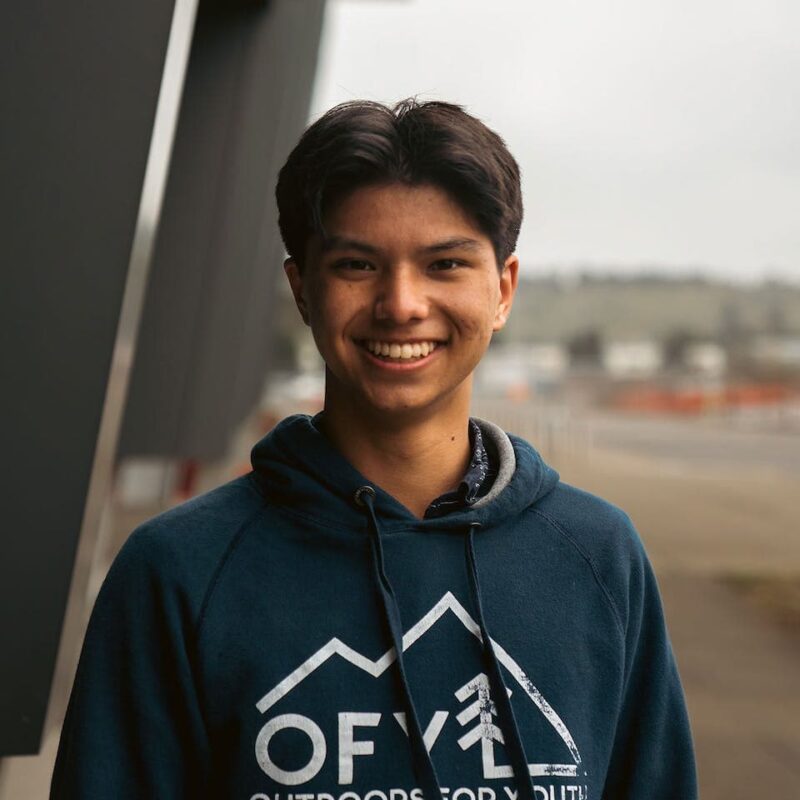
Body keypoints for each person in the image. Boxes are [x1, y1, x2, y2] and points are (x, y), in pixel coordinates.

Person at [52, 99, 697, 800]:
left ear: (503, 290)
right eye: (358, 264)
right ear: (302, 289)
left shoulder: (599, 556)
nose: (401, 304)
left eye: (445, 264)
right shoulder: (178, 573)